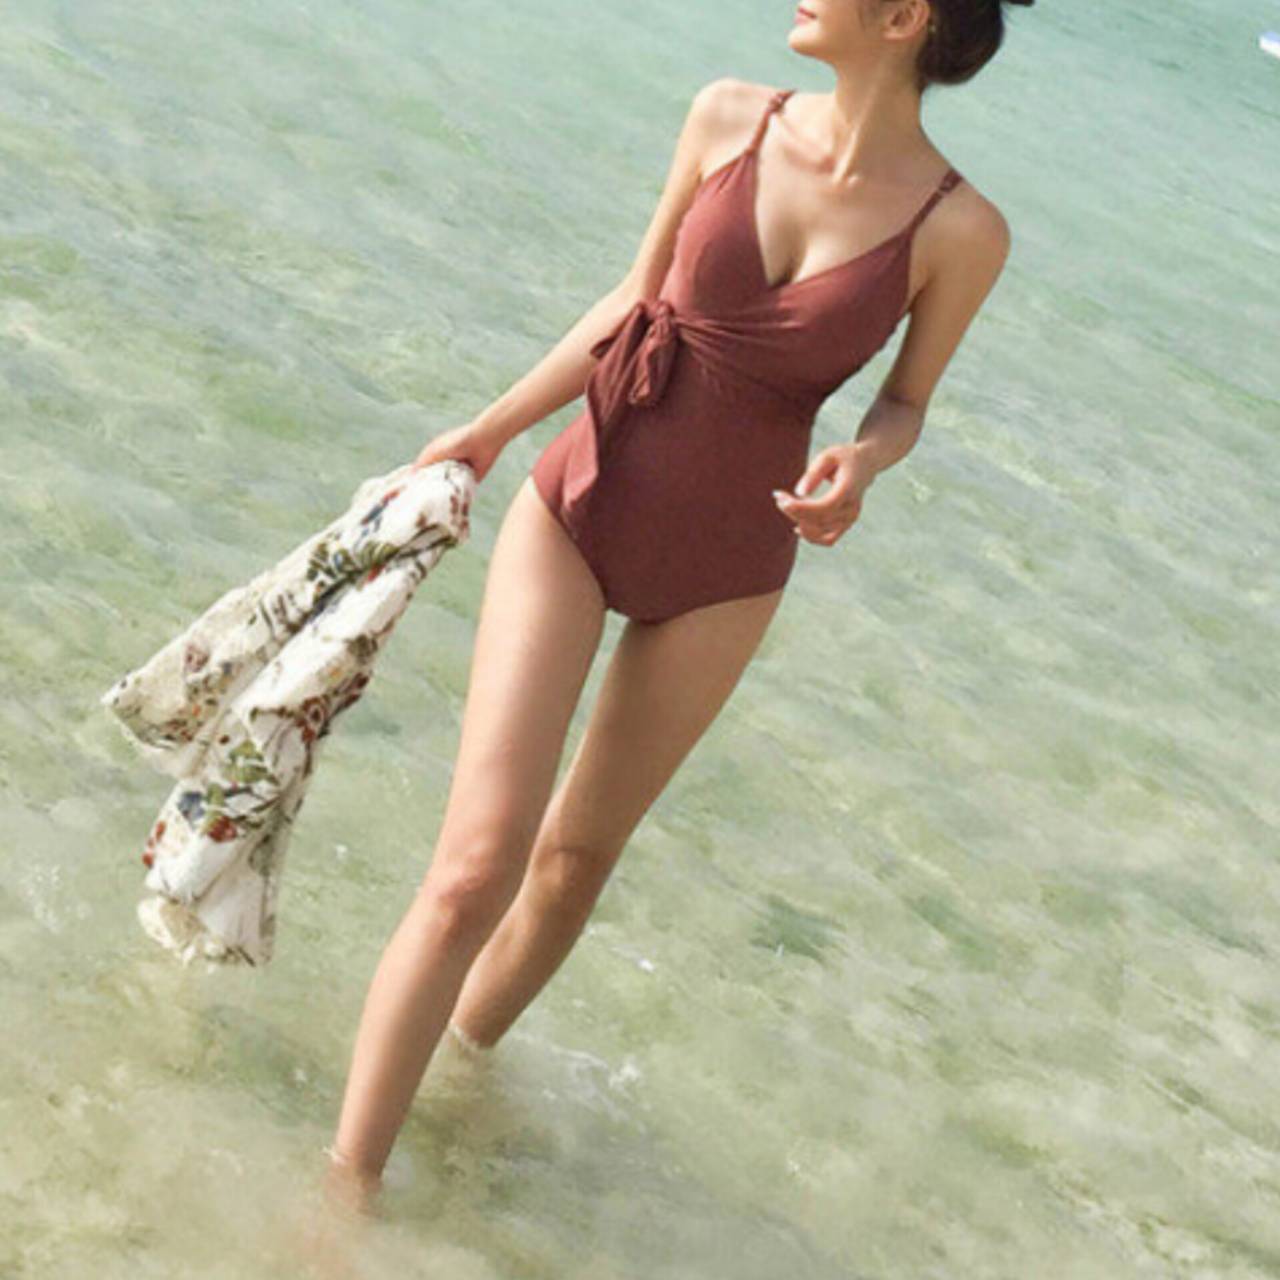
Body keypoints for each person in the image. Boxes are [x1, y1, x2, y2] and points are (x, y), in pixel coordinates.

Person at [323, 0, 1026, 1211]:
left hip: (729, 564)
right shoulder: (725, 116)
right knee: (476, 866)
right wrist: (488, 430)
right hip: (581, 501)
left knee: (571, 864)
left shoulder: (959, 229)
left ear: (905, 16)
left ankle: (455, 1073)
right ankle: (346, 1189)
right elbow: (628, 302)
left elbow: (905, 401)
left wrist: (864, 460)